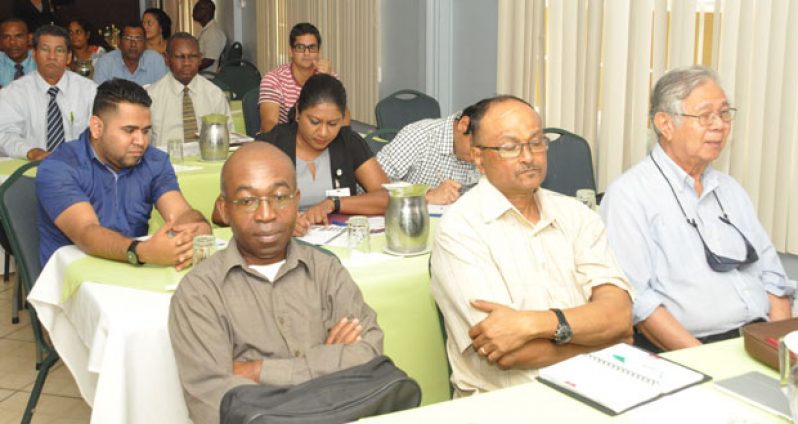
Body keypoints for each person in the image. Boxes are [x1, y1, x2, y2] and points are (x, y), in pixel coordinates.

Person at [430, 95, 633, 396]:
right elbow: (508, 353)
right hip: (509, 402)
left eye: (536, 142)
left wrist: (532, 324)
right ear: (478, 157)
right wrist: (601, 342)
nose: (528, 156)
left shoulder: (577, 215)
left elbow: (619, 318)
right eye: (510, 147)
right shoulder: (460, 230)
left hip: (599, 387)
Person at [169, 142, 383, 424]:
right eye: (247, 201)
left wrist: (258, 371)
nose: (266, 214)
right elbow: (218, 406)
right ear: (224, 209)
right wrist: (328, 363)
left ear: (297, 200)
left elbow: (369, 357)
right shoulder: (199, 293)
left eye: (280, 197)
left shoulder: (326, 272)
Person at [600, 65, 795, 353]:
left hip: (760, 339)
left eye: (725, 114)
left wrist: (779, 349)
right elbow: (639, 302)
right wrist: (704, 361)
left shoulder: (731, 190)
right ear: (665, 124)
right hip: (693, 350)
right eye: (705, 116)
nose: (719, 125)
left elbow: (773, 279)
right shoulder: (629, 196)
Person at [36, 78, 211, 267]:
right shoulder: (59, 167)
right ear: (97, 127)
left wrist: (198, 228)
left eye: (145, 131)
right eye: (129, 130)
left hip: (136, 268)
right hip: (74, 276)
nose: (141, 141)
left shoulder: (154, 161)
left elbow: (181, 213)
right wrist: (141, 251)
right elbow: (87, 232)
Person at [251, 74, 388, 234]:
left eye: (332, 124)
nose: (323, 133)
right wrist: (280, 220)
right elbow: (231, 208)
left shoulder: (347, 142)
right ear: (298, 112)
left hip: (339, 243)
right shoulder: (271, 145)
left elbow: (388, 197)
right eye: (314, 122)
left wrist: (334, 203)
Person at [0, 24, 96, 160]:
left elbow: (99, 134)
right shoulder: (13, 93)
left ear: (69, 57)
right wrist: (31, 152)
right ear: (34, 54)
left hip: (79, 169)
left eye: (59, 50)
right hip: (30, 169)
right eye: (45, 49)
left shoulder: (89, 91)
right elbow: (5, 134)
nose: (52, 56)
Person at [376, 104, 481, 205]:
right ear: (463, 125)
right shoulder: (419, 135)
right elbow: (373, 188)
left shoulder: (488, 150)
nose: (479, 159)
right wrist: (427, 196)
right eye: (478, 147)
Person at [258, 22, 348, 134]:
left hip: (320, 139)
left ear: (319, 52)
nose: (307, 53)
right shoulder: (273, 79)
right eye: (300, 47)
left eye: (312, 47)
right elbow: (269, 125)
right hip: (283, 142)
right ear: (290, 51)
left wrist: (327, 80)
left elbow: (344, 120)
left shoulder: (329, 75)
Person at [147, 32, 232, 147]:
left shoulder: (214, 95)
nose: (187, 63)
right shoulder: (152, 97)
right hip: (166, 163)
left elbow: (229, 138)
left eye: (192, 56)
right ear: (166, 59)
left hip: (208, 162)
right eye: (180, 57)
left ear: (200, 59)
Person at [93, 21, 168, 86]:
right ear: (119, 41)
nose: (133, 44)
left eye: (138, 39)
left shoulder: (156, 60)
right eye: (128, 38)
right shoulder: (105, 63)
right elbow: (99, 98)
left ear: (145, 42)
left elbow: (163, 95)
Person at [0, 18, 36, 88]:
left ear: (29, 38)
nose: (12, 42)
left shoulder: (41, 61)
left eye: (18, 36)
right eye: (6, 37)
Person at [192, 0, 226, 73]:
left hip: (207, 77)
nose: (194, 10)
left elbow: (209, 60)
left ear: (208, 11)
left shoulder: (213, 32)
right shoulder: (207, 30)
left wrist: (190, 68)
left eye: (199, 8)